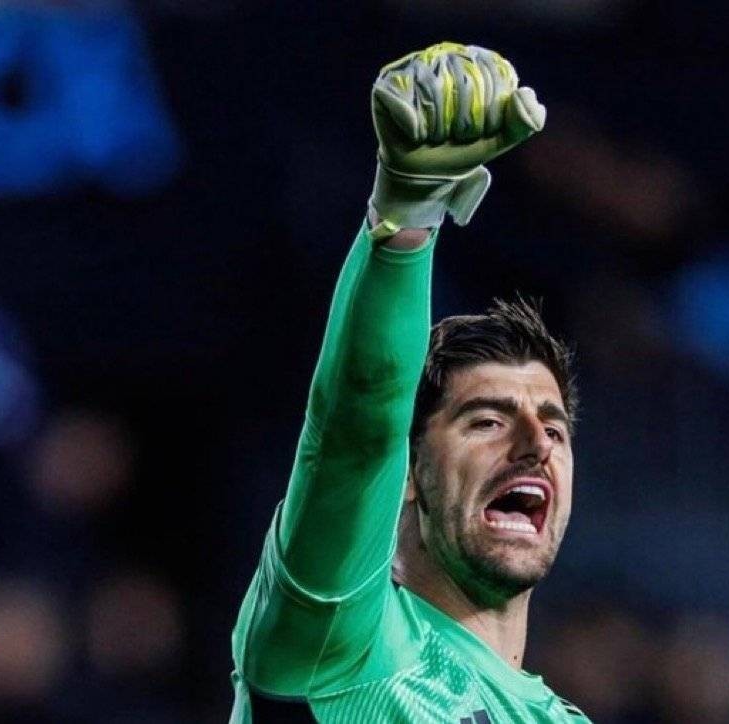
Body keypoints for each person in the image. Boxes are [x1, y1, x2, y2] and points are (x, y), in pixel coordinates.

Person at [230, 42, 589, 723]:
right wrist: (408, 218)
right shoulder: (342, 645)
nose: (535, 445)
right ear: (407, 475)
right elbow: (358, 429)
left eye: (554, 428)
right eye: (487, 420)